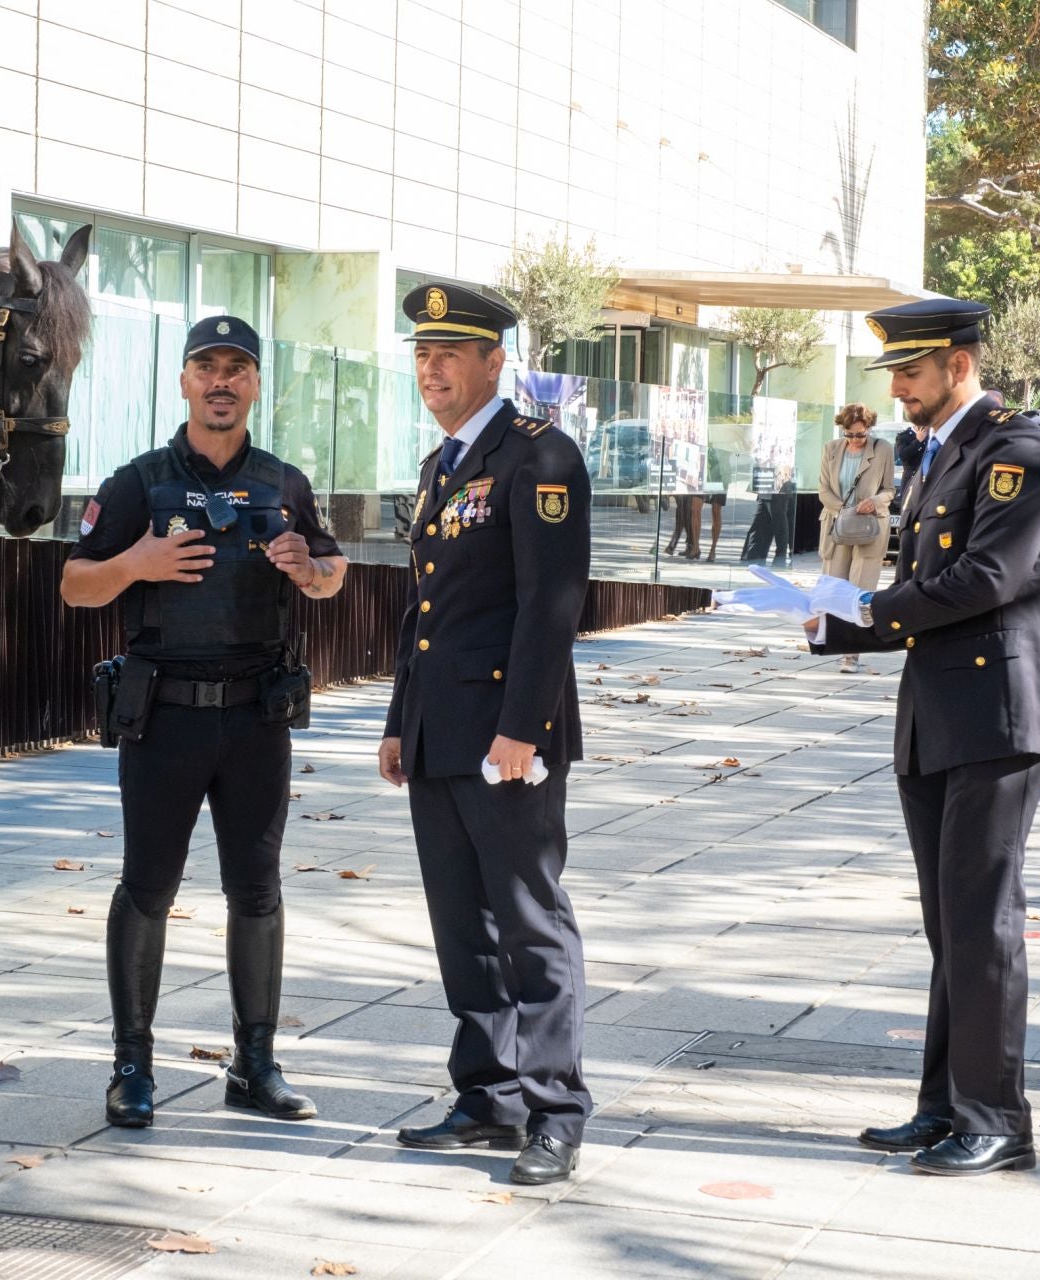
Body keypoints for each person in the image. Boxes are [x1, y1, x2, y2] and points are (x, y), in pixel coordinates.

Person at [716, 297, 1040, 1177]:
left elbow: (986, 578)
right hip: (938, 713)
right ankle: (946, 1105)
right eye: (896, 376)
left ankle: (998, 1119)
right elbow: (926, 583)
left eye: (911, 373)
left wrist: (859, 606)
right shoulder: (941, 454)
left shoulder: (1013, 451)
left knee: (982, 922)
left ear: (958, 364)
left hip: (997, 714)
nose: (900, 390)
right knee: (948, 923)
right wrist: (826, 618)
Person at [61, 315, 348, 1131]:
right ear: (184, 381)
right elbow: (75, 585)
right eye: (206, 367)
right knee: (148, 887)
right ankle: (132, 1068)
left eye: (237, 369)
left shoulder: (283, 482)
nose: (221, 381)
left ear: (255, 384)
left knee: (257, 892)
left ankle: (254, 1066)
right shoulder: (137, 482)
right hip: (166, 721)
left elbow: (332, 571)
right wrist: (135, 565)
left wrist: (311, 568)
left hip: (258, 719)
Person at [377, 284, 593, 1187]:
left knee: (529, 922)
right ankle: (487, 1093)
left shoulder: (539, 456)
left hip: (507, 736)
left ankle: (554, 1109)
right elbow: (427, 611)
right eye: (423, 355)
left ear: (494, 362)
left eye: (451, 354)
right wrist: (400, 722)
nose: (432, 370)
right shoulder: (444, 463)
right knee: (460, 926)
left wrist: (522, 730)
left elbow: (551, 605)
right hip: (439, 731)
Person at [817, 404, 894, 673]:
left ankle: (852, 653)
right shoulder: (831, 448)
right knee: (836, 589)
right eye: (849, 434)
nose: (854, 440)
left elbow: (889, 489)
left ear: (869, 429)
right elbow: (823, 489)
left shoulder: (883, 448)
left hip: (870, 527)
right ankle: (837, 642)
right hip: (837, 526)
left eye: (860, 435)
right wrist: (843, 510)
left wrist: (874, 501)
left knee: (861, 593)